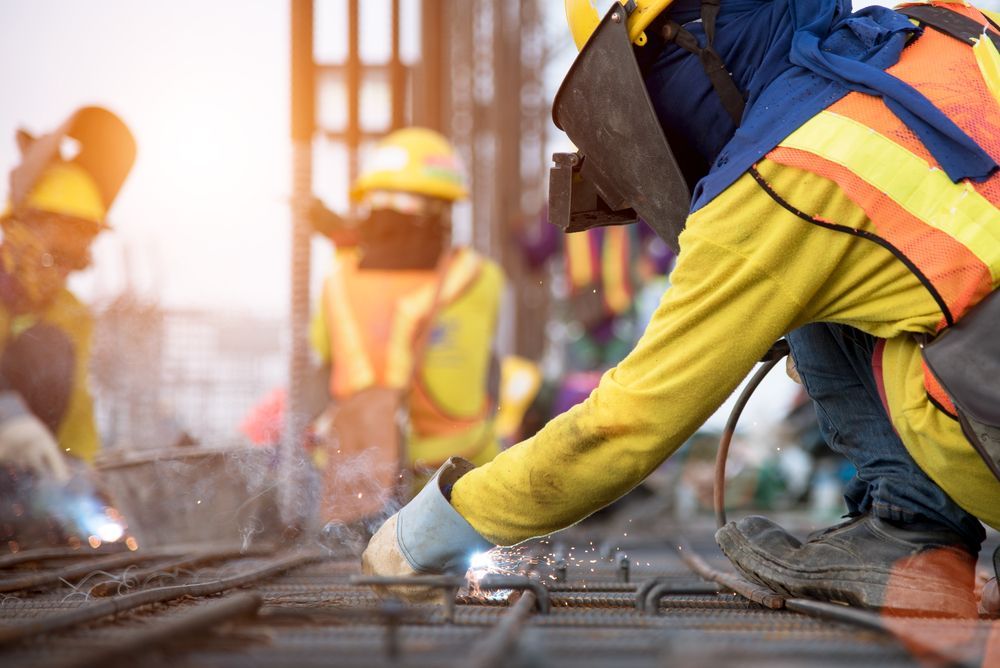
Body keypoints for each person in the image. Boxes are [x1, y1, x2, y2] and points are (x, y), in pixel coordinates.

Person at [361, 0, 1000, 617]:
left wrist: (430, 531)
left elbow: (625, 424)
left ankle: (911, 530)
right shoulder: (953, 29)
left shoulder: (786, 175)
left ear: (688, 42)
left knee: (843, 305)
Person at [308, 127, 505, 529]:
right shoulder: (479, 278)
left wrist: (347, 244)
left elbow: (322, 349)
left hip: (358, 480)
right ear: (443, 210)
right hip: (454, 482)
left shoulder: (338, 281)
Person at [0, 106, 135, 479]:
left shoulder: (69, 315)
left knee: (50, 343)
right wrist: (7, 418)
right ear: (23, 227)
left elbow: (75, 410)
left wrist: (85, 470)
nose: (61, 272)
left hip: (17, 482)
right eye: (57, 253)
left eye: (74, 260)